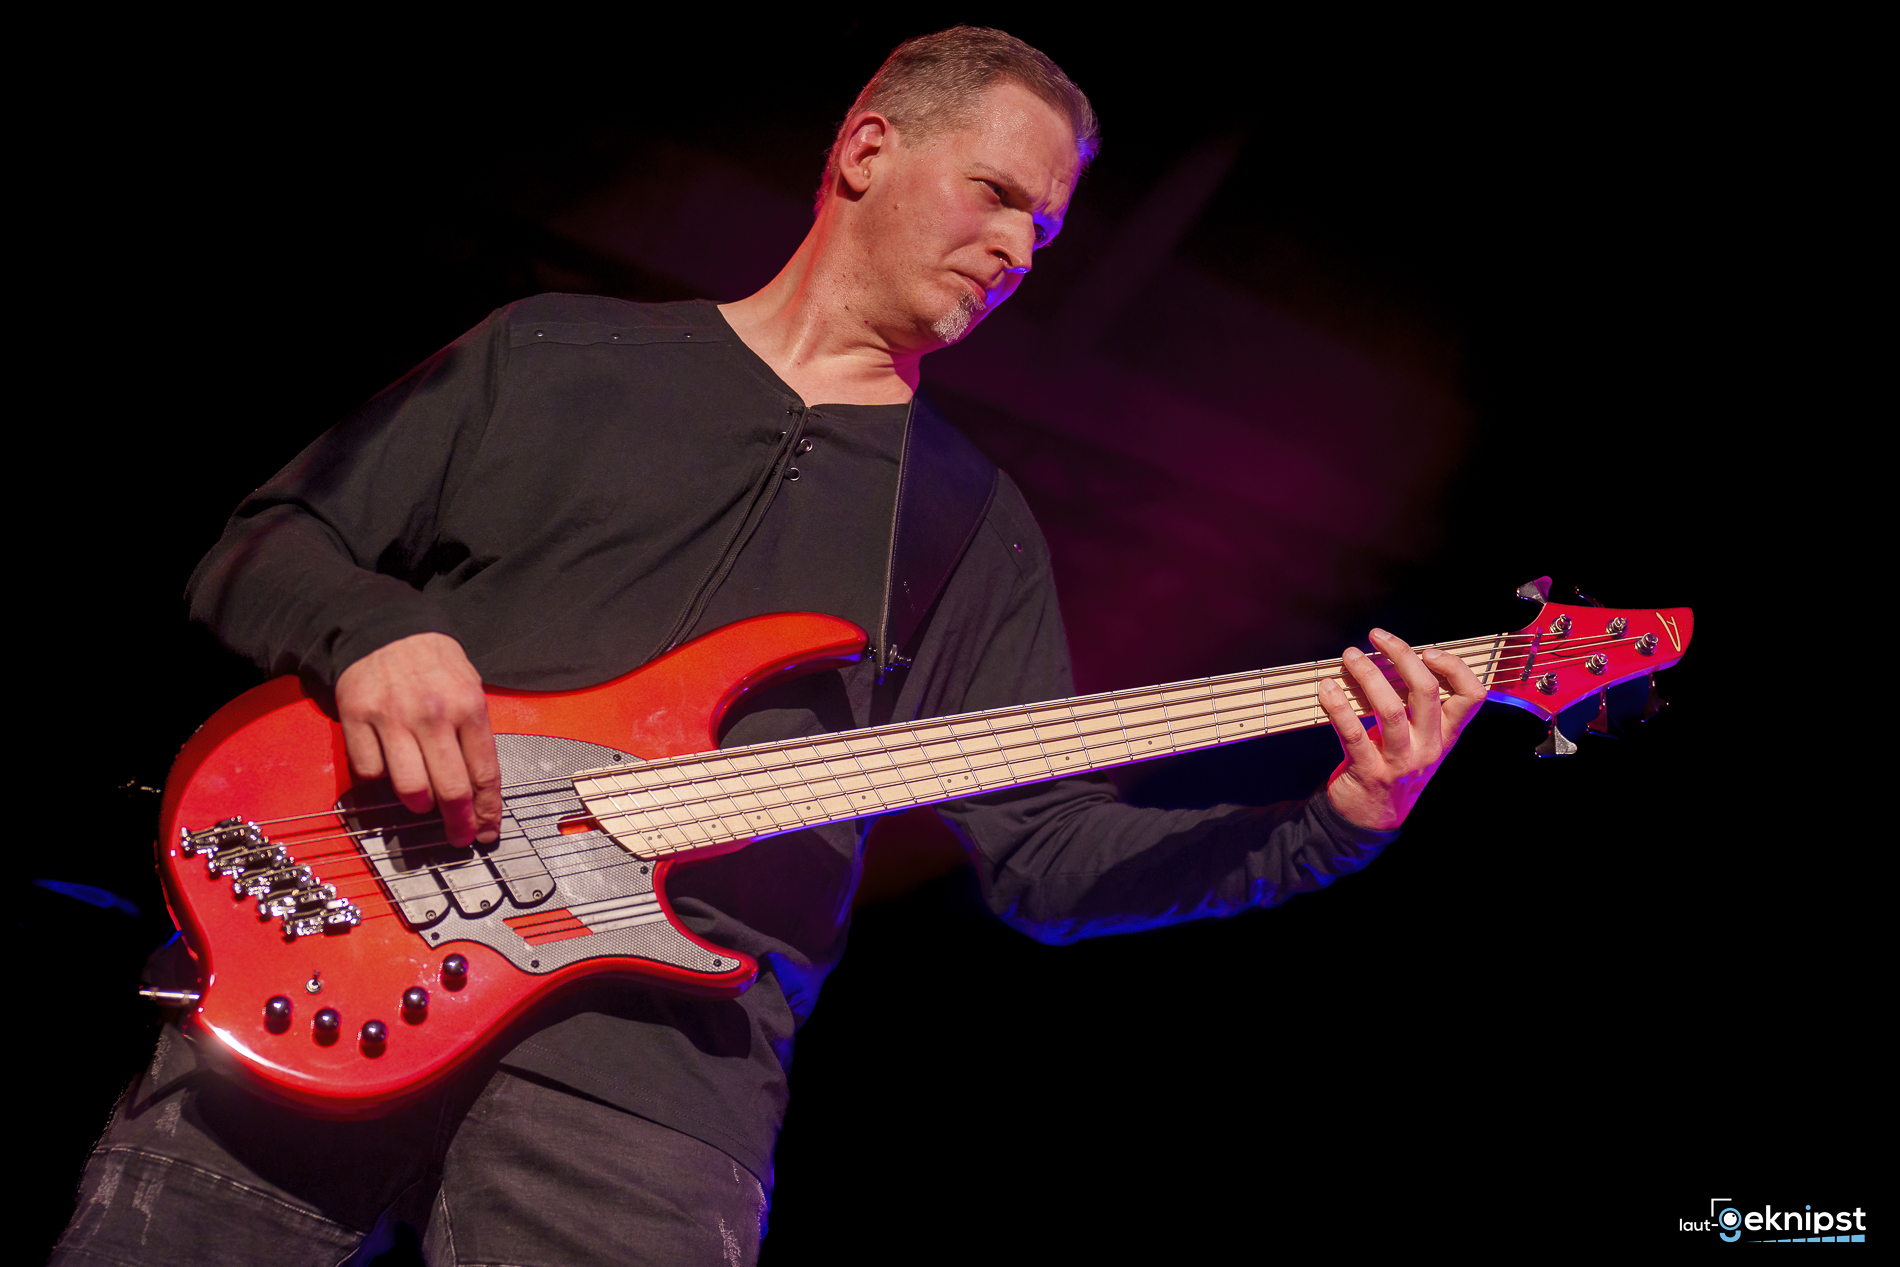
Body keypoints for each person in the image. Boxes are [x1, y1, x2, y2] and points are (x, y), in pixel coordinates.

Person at [53, 27, 1485, 1267]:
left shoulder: (972, 528)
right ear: (867, 149)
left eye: (1043, 235)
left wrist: (1331, 827)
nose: (1016, 251)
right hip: (328, 956)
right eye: (996, 194)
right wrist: (375, 633)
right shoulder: (554, 351)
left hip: (656, 1093)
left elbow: (1047, 863)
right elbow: (263, 543)